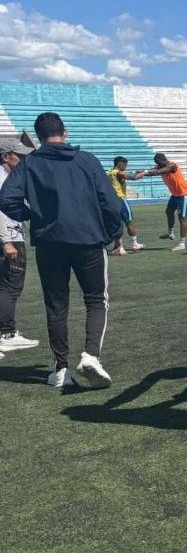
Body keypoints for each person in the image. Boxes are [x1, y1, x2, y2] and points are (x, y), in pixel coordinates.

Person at [0, 112, 125, 388]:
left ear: (38, 137)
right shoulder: (86, 160)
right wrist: (113, 232)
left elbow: (6, 198)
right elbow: (111, 203)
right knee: (95, 300)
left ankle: (60, 369)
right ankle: (91, 355)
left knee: (56, 306)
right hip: (88, 239)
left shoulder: (30, 163)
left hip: (49, 243)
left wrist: (32, 215)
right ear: (65, 133)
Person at [0, 140, 39, 354]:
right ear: (6, 157)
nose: (24, 160)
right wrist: (6, 241)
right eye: (19, 156)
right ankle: (7, 333)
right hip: (9, 237)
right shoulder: (2, 178)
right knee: (10, 287)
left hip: (8, 236)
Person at [138, 152, 187, 251]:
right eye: (157, 163)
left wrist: (145, 172)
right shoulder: (160, 166)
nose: (157, 165)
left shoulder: (172, 165)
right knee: (169, 211)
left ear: (163, 160)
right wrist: (141, 172)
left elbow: (157, 172)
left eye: (158, 163)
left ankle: (182, 243)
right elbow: (152, 171)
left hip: (184, 194)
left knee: (182, 218)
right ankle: (170, 233)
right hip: (175, 195)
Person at [107, 156, 145, 255]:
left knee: (117, 224)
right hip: (121, 199)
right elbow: (133, 177)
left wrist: (137, 172)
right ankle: (135, 244)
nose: (125, 167)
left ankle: (119, 246)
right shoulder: (118, 172)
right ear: (120, 164)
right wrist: (145, 172)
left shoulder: (108, 172)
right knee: (129, 222)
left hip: (111, 201)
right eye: (125, 165)